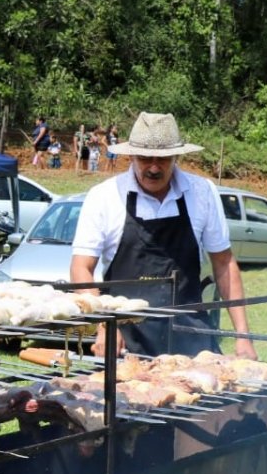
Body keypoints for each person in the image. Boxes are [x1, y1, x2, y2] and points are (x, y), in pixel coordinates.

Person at [70, 111, 256, 360]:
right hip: (124, 341)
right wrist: (104, 325)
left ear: (177, 156)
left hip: (191, 338)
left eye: (164, 159)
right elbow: (81, 268)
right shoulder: (104, 197)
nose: (154, 167)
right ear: (131, 156)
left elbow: (223, 262)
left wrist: (243, 335)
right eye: (146, 158)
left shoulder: (202, 193)